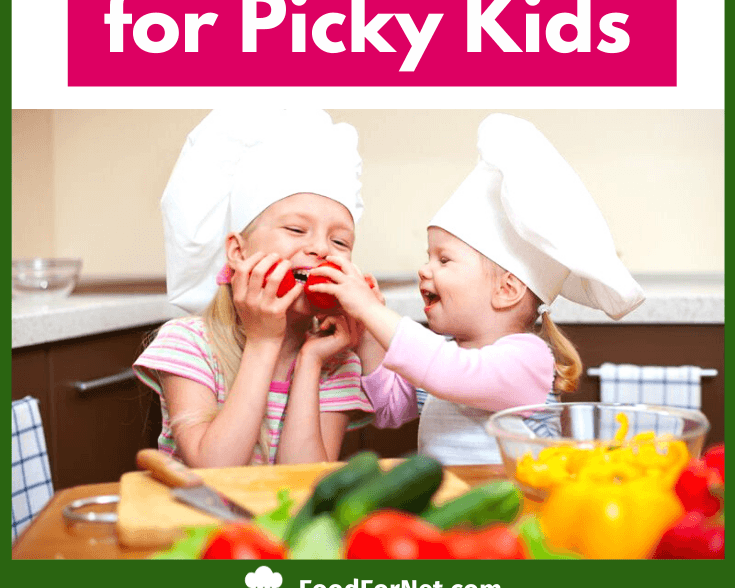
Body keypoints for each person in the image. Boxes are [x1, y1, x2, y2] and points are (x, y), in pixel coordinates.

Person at [308, 113, 645, 465]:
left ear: (506, 289)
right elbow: (390, 411)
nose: (425, 269)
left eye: (444, 260)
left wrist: (371, 310)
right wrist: (363, 332)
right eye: (429, 256)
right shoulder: (443, 354)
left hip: (515, 511)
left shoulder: (529, 360)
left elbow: (451, 373)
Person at [133, 108, 373, 468]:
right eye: (296, 230)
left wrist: (310, 362)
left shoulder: (334, 359)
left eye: (340, 241)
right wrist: (264, 341)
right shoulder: (189, 344)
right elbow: (215, 471)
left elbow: (305, 480)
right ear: (237, 251)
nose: (322, 249)